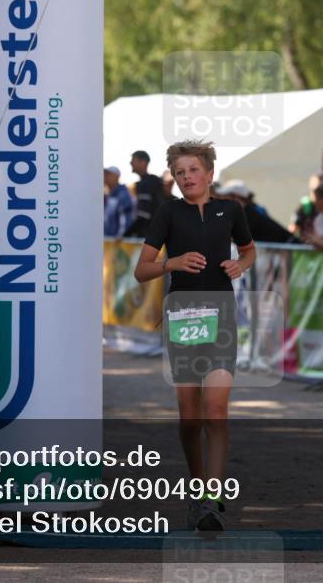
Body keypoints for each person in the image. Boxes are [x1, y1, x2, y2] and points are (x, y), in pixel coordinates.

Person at [134, 139, 255, 534]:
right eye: (180, 172)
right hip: (184, 316)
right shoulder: (168, 213)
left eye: (193, 170)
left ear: (209, 173)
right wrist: (174, 262)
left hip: (221, 316)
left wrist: (240, 264)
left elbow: (249, 249)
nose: (187, 177)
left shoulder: (231, 210)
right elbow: (142, 269)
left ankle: (213, 498)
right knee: (190, 417)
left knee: (215, 409)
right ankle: (197, 483)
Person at [216, 180, 297, 244]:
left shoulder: (249, 214)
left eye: (225, 197)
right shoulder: (249, 210)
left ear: (236, 198)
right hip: (288, 248)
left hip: (293, 249)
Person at [124, 150, 165, 237]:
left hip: (148, 237)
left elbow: (143, 216)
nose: (130, 163)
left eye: (133, 160)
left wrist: (126, 235)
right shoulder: (153, 182)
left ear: (143, 162)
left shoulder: (146, 184)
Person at [103, 166, 135, 237]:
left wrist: (121, 236)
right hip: (109, 241)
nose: (105, 176)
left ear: (116, 177)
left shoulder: (123, 194)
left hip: (116, 242)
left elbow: (125, 218)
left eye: (108, 174)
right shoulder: (109, 195)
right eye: (105, 174)